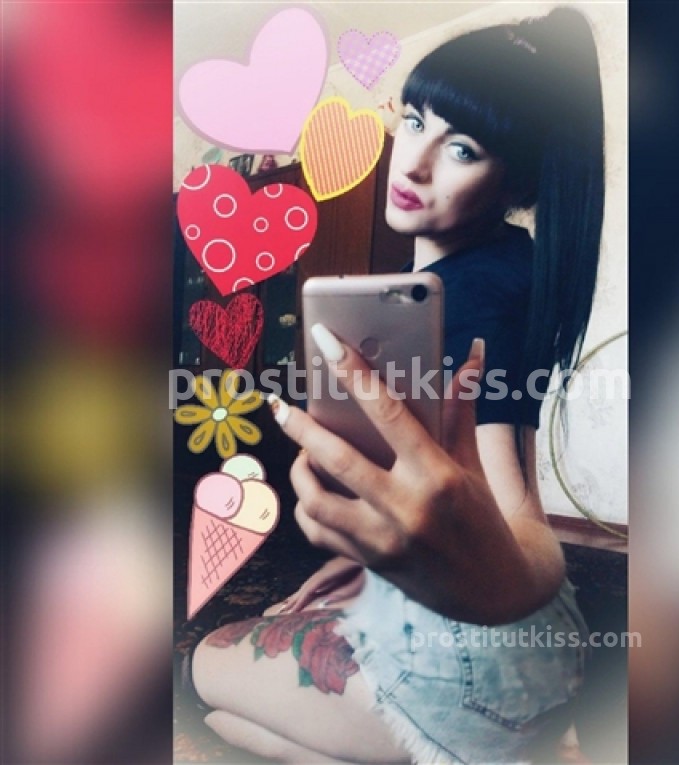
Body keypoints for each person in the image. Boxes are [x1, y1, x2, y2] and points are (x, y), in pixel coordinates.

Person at [192, 7, 605, 763]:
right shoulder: (513, 265)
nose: (411, 163)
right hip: (549, 653)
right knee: (233, 718)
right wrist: (371, 562)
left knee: (199, 670)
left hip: (481, 658)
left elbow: (519, 520)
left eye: (462, 148)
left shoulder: (467, 298)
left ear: (513, 181)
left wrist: (510, 582)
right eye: (413, 121)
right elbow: (489, 488)